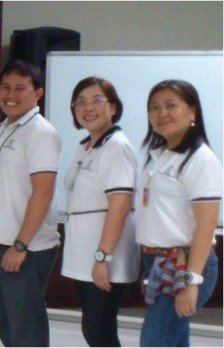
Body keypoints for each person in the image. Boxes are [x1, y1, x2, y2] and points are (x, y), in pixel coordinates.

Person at [136, 80, 221, 347]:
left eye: (171, 106)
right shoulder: (157, 153)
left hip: (185, 265)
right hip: (157, 262)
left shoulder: (200, 159)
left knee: (154, 342)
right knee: (174, 340)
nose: (162, 114)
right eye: (154, 107)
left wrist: (191, 282)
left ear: (192, 111)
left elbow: (206, 227)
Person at [0, 60, 61, 347]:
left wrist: (20, 245)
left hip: (27, 247)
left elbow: (43, 192)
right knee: (9, 327)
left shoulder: (40, 132)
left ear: (38, 93)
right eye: (5, 87)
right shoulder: (3, 129)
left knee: (26, 332)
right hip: (3, 242)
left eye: (20, 88)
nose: (10, 94)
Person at [60, 77, 139, 347]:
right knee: (95, 330)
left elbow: (120, 204)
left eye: (96, 100)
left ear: (113, 107)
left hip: (103, 255)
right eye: (80, 102)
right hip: (85, 252)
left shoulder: (116, 147)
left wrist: (102, 257)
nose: (88, 108)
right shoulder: (86, 146)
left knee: (99, 331)